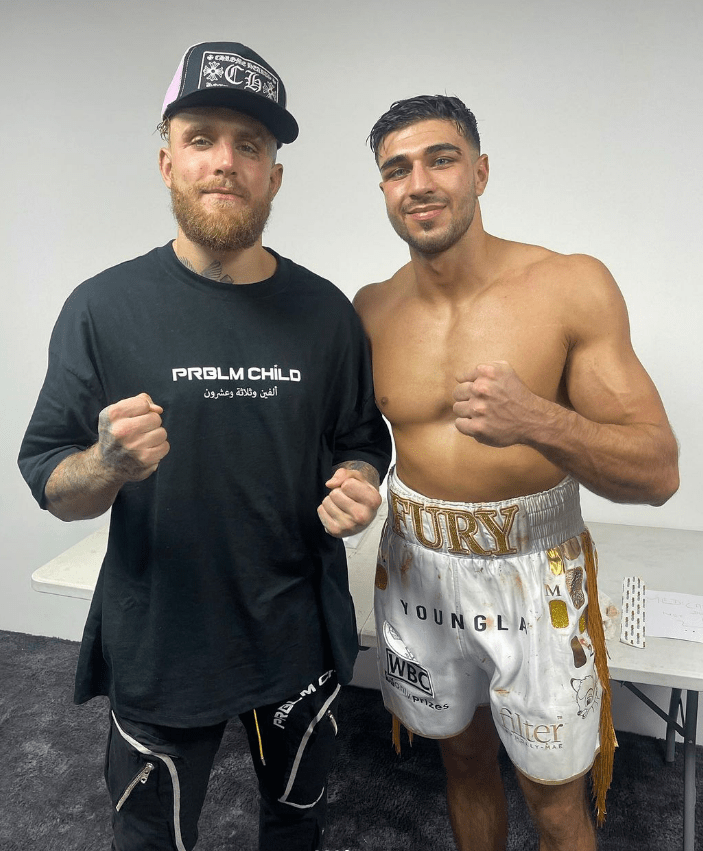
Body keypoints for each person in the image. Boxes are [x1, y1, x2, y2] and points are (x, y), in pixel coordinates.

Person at [18, 41, 391, 851]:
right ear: (166, 163)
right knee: (154, 842)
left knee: (296, 828)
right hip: (161, 638)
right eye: (201, 138)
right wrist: (106, 465)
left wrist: (360, 479)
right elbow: (51, 477)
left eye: (249, 144)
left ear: (275, 176)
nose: (225, 161)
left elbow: (362, 440)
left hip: (298, 633)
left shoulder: (327, 313)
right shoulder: (102, 308)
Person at [354, 95, 679, 851]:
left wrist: (536, 418)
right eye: (396, 169)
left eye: (440, 158)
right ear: (383, 190)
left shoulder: (567, 285)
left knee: (553, 794)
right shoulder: (369, 310)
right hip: (416, 564)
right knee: (462, 760)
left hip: (535, 569)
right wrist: (353, 481)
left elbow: (656, 469)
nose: (420, 182)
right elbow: (356, 444)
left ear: (480, 171)